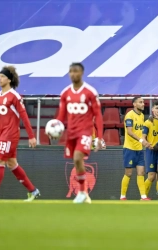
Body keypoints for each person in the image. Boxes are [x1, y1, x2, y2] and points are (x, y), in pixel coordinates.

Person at [0, 66, 39, 201]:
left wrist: (31, 136)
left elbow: (24, 116)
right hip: (1, 135)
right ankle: (33, 191)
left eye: (2, 76)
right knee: (12, 164)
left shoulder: (15, 97)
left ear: (9, 80)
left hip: (10, 135)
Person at [57, 62, 103, 204]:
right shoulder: (65, 93)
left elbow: (98, 115)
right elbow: (61, 115)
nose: (73, 74)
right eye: (71, 71)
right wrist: (56, 127)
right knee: (76, 163)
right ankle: (84, 193)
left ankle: (82, 192)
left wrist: (100, 138)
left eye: (76, 71)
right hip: (72, 133)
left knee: (77, 158)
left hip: (85, 132)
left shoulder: (90, 92)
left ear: (82, 73)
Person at [120, 97, 151, 200]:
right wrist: (142, 141)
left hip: (139, 149)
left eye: (143, 102)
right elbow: (129, 132)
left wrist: (145, 141)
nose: (143, 104)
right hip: (129, 148)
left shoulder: (142, 116)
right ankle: (123, 196)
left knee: (141, 172)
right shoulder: (129, 115)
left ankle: (143, 196)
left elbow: (140, 132)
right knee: (128, 173)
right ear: (134, 104)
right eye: (140, 102)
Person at [142, 100, 158, 196]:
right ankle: (143, 196)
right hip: (151, 151)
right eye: (156, 108)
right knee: (151, 176)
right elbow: (143, 137)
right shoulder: (148, 122)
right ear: (152, 109)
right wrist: (146, 144)